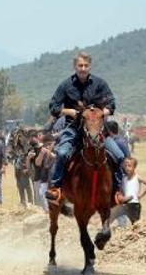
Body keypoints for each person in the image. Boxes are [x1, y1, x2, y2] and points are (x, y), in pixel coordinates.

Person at [45, 51, 124, 203]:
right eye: (80, 65)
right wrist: (68, 111)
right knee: (61, 153)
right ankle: (56, 189)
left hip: (97, 129)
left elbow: (112, 104)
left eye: (85, 65)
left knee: (119, 156)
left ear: (90, 66)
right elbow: (53, 107)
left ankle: (117, 192)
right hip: (73, 129)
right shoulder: (66, 85)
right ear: (75, 66)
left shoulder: (100, 84)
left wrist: (102, 113)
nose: (82, 68)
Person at [109, 157, 146, 226]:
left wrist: (141, 195)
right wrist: (121, 197)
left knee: (135, 224)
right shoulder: (124, 178)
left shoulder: (137, 177)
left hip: (134, 205)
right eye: (125, 166)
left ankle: (136, 234)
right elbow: (121, 190)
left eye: (129, 166)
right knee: (112, 214)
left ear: (134, 167)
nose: (127, 168)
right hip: (125, 204)